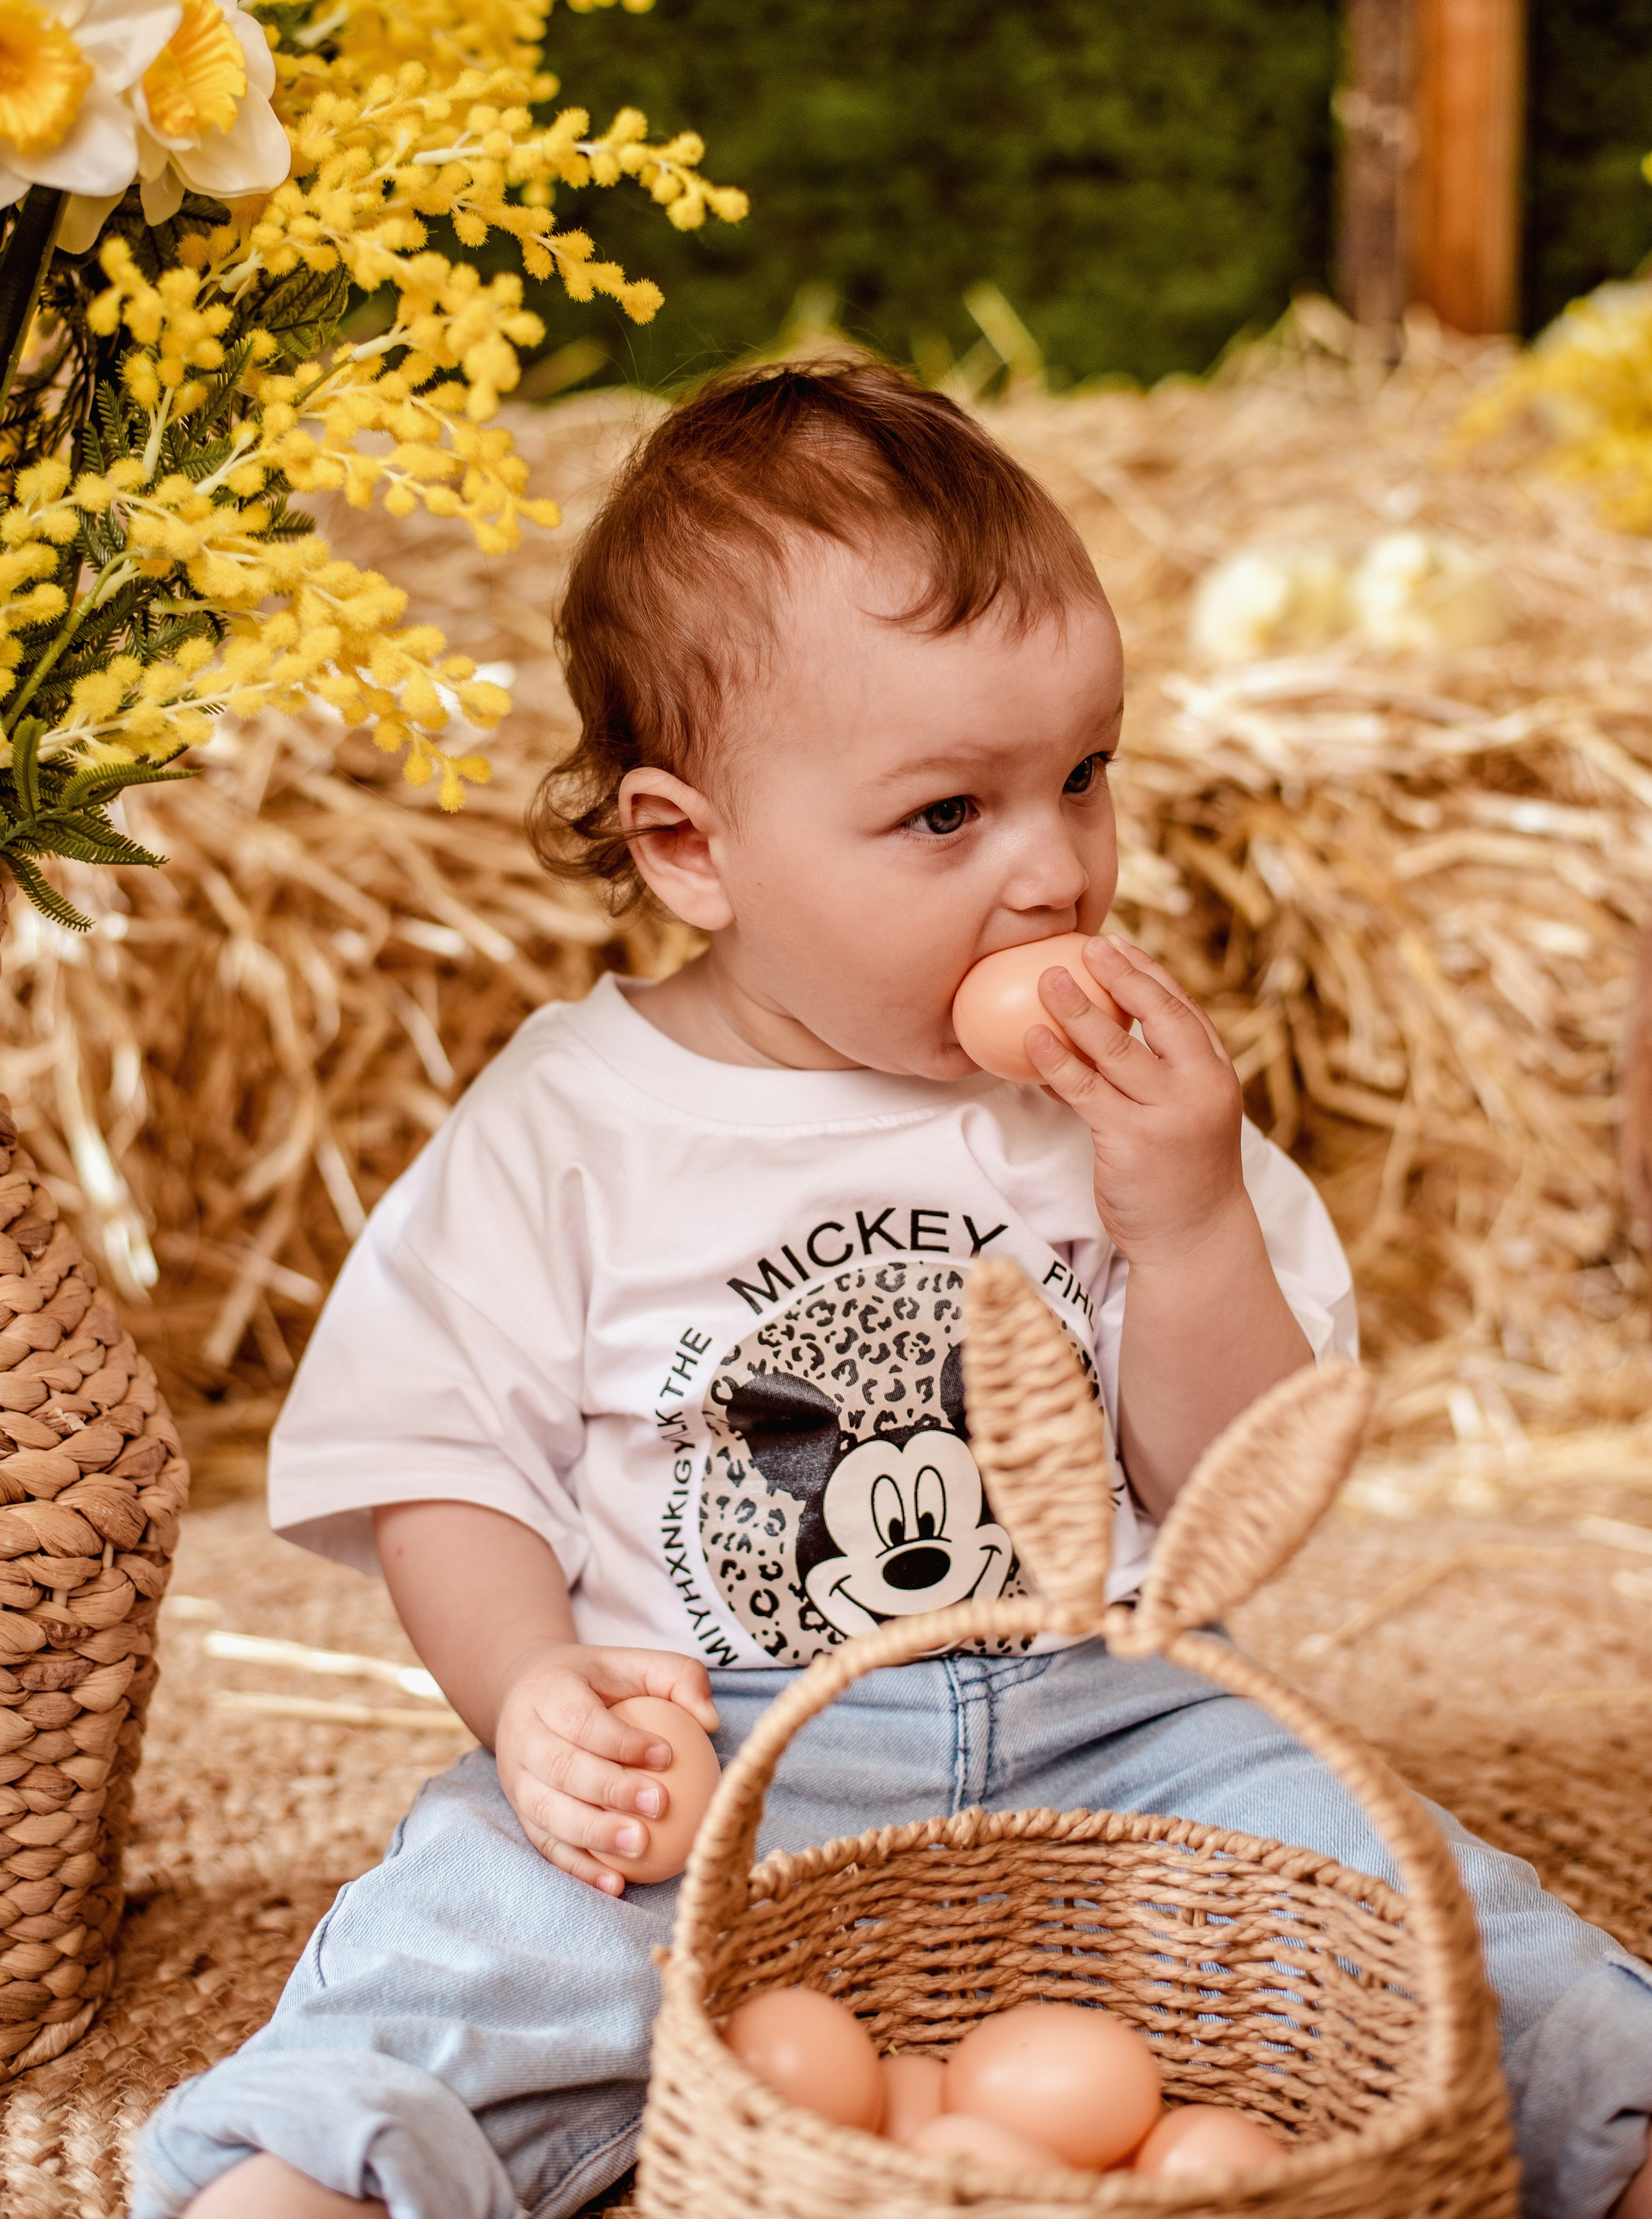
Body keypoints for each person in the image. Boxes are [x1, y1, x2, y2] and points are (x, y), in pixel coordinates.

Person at [134, 362, 1652, 2219]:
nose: (1056, 873)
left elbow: (1235, 1484)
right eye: (949, 814)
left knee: (1428, 1917)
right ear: (691, 847)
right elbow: (440, 1459)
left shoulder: (1120, 1112)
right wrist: (533, 1690)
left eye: (1082, 776)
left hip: (1124, 1725)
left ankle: (1613, 2125)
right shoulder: (572, 1124)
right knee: (480, 1944)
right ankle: (309, 2169)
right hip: (715, 1749)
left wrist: (1188, 1221)